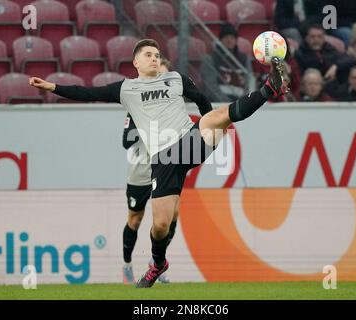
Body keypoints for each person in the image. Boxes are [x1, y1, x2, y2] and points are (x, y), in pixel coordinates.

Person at [29, 38, 289, 288]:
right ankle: (158, 264)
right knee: (161, 224)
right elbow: (87, 93)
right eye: (148, 55)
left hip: (188, 143)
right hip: (163, 159)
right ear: (136, 63)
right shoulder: (126, 89)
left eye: (156, 55)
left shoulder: (176, 79)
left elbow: (200, 99)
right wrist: (53, 87)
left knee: (215, 118)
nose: (154, 58)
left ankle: (269, 88)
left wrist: (208, 119)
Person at [122, 57, 174, 285]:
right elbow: (126, 141)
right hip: (140, 172)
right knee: (135, 219)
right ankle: (126, 265)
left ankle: (157, 263)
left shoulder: (174, 106)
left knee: (171, 218)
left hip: (165, 168)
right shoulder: (137, 103)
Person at [200, 23, 250, 102]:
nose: (229, 40)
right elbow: (211, 86)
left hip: (240, 105)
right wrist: (228, 104)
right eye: (226, 37)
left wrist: (243, 103)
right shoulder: (210, 59)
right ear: (220, 40)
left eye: (232, 37)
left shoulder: (244, 59)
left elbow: (249, 84)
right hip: (218, 105)